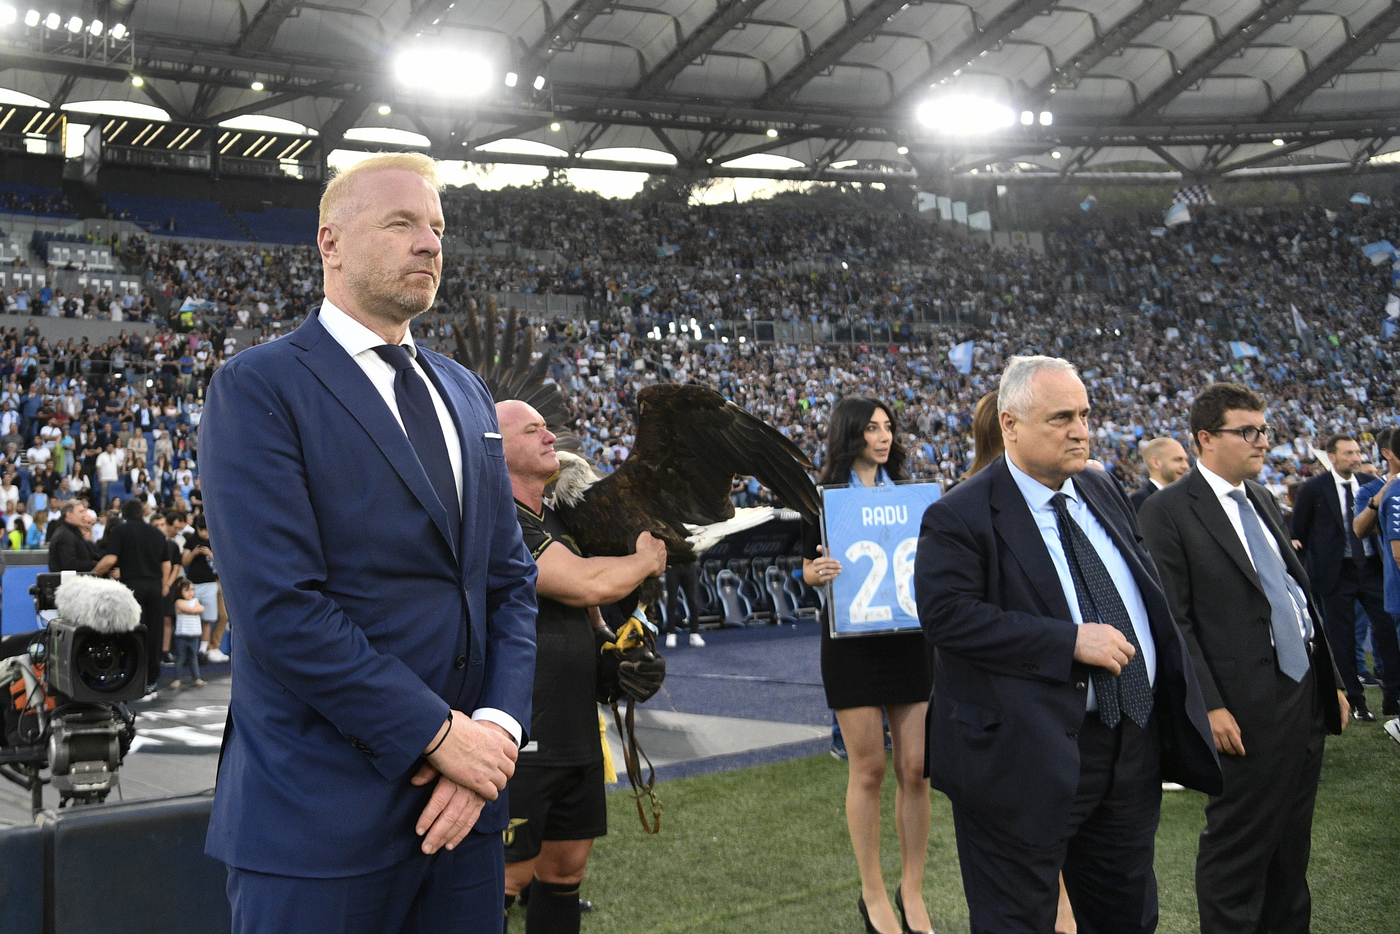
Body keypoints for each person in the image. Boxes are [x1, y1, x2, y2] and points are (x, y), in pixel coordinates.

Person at [199, 152, 538, 934]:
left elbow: (507, 582)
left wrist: (494, 731)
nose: (429, 243)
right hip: (318, 824)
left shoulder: (465, 390)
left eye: (437, 228)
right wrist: (438, 734)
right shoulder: (259, 387)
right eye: (402, 223)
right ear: (331, 243)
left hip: (465, 817)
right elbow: (281, 609)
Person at [915, 355, 1220, 934]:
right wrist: (1067, 640)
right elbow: (946, 617)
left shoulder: (1101, 486)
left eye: (1084, 414)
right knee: (1018, 919)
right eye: (1060, 418)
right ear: (1010, 424)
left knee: (1127, 915)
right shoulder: (958, 514)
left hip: (1129, 744)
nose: (1080, 429)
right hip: (1020, 756)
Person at [1138, 382, 1347, 934]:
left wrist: (1334, 680)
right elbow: (1174, 620)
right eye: (1247, 432)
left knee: (1289, 851)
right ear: (1206, 439)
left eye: (1264, 430)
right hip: (1241, 707)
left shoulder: (1259, 498)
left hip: (1302, 696)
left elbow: (1295, 594)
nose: (1262, 443)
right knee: (1238, 850)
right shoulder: (1167, 512)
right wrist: (1206, 705)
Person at [495, 399, 666, 934]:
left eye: (549, 427)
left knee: (565, 870)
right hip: (517, 733)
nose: (552, 437)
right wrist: (646, 558)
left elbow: (590, 612)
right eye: (535, 430)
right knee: (504, 879)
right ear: (495, 449)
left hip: (573, 729)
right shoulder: (496, 519)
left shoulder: (559, 520)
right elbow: (587, 582)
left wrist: (613, 658)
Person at [803, 395, 934, 934]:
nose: (884, 437)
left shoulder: (914, 497)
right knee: (870, 769)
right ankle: (873, 891)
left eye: (889, 428)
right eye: (873, 429)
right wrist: (811, 576)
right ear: (851, 434)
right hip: (852, 645)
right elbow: (804, 567)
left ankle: (913, 889)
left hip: (909, 642)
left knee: (916, 768)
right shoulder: (823, 499)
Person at [1291, 433, 1400, 721]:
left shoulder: (1370, 485)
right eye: (1348, 453)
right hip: (1334, 573)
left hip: (1371, 568)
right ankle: (1356, 703)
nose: (1355, 458)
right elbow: (1298, 530)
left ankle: (1393, 698)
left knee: (1387, 631)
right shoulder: (1314, 488)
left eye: (1356, 452)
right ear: (1332, 457)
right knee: (1341, 640)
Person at [92, 498, 171, 701]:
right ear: (144, 512)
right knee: (154, 633)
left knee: (130, 632)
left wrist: (91, 575)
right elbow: (167, 562)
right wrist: (164, 585)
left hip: (131, 588)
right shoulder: (157, 533)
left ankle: (129, 678)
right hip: (154, 587)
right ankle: (151, 681)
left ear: (124, 515)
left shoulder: (120, 531)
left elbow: (110, 559)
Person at [182, 514, 222, 661]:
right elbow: (184, 562)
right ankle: (188, 650)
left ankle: (202, 650)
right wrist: (194, 553)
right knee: (190, 616)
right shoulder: (192, 541)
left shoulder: (215, 540)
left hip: (210, 583)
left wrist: (210, 554)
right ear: (197, 528)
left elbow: (222, 565)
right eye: (202, 530)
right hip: (194, 585)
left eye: (207, 530)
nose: (205, 533)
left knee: (208, 618)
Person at [1128, 437, 1189, 513]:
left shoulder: (1185, 497)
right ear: (1156, 463)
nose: (1186, 466)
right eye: (1177, 459)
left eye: (1186, 460)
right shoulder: (1140, 500)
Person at [170, 578, 206, 690]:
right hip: (182, 636)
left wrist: (196, 609)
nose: (191, 592)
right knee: (180, 658)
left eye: (192, 589)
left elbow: (202, 609)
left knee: (193, 658)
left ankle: (197, 678)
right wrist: (195, 609)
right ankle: (177, 679)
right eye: (187, 590)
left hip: (194, 636)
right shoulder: (179, 602)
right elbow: (193, 609)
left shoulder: (195, 601)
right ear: (180, 591)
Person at [47, 500, 98, 571]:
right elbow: (70, 565)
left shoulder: (73, 532)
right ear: (69, 515)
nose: (84, 515)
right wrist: (98, 565)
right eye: (81, 512)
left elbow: (89, 555)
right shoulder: (65, 535)